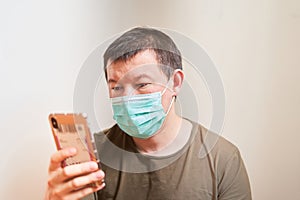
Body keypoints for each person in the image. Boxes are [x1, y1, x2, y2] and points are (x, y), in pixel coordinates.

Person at [45, 27, 252, 200]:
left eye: (142, 84)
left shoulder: (222, 159)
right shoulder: (92, 158)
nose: (126, 99)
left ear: (175, 82)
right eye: (116, 87)